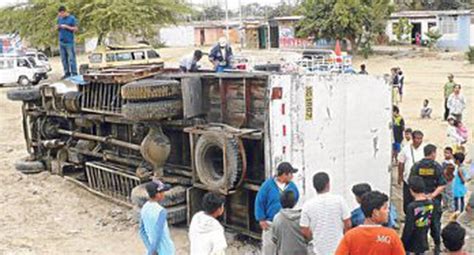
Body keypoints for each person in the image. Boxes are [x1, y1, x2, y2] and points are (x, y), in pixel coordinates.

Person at [335, 191, 405, 255]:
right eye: (385, 208)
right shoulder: (391, 236)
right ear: (375, 212)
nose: (388, 211)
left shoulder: (350, 236)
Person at [300, 172, 351, 255]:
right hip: (339, 248)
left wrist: (313, 237)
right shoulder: (339, 200)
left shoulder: (307, 205)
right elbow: (348, 224)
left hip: (318, 250)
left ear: (314, 186)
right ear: (328, 184)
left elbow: (304, 230)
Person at [254, 162, 299, 255]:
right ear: (284, 174)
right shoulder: (267, 185)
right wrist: (261, 219)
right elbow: (259, 201)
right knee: (269, 248)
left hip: (285, 223)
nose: (292, 176)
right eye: (291, 174)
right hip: (270, 223)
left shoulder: (292, 186)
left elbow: (296, 198)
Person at [409, 144, 447, 254]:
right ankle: (437, 245)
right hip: (433, 201)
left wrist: (419, 196)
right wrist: (432, 195)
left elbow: (410, 183)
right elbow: (442, 185)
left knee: (420, 225)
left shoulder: (416, 166)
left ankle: (420, 248)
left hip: (419, 202)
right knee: (435, 224)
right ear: (433, 153)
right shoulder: (436, 166)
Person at [139, 180, 175, 255]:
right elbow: (158, 234)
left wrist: (150, 248)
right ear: (157, 194)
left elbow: (142, 231)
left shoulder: (144, 208)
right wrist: (154, 251)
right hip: (165, 250)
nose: (164, 194)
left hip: (151, 248)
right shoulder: (161, 211)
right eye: (162, 192)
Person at [401, 176, 433, 254]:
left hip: (412, 243)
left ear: (411, 190)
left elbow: (408, 227)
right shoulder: (430, 204)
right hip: (423, 240)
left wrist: (402, 241)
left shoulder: (411, 207)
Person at [272, 190, 308, 255]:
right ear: (294, 202)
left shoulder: (277, 218)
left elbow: (274, 239)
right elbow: (308, 238)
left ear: (280, 202)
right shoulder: (302, 218)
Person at [398, 130, 425, 214]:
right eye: (417, 138)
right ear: (413, 139)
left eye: (421, 139)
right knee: (407, 199)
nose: (419, 141)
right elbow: (401, 162)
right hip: (408, 179)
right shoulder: (405, 149)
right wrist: (400, 176)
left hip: (421, 179)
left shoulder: (424, 149)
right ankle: (408, 215)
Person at [57, 5, 78, 79]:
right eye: (60, 14)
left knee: (71, 58)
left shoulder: (72, 18)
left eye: (62, 14)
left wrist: (66, 27)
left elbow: (75, 29)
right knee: (64, 59)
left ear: (65, 12)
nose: (61, 15)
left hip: (69, 42)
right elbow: (58, 27)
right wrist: (58, 27)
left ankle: (74, 73)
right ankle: (67, 73)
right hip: (61, 41)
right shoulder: (59, 19)